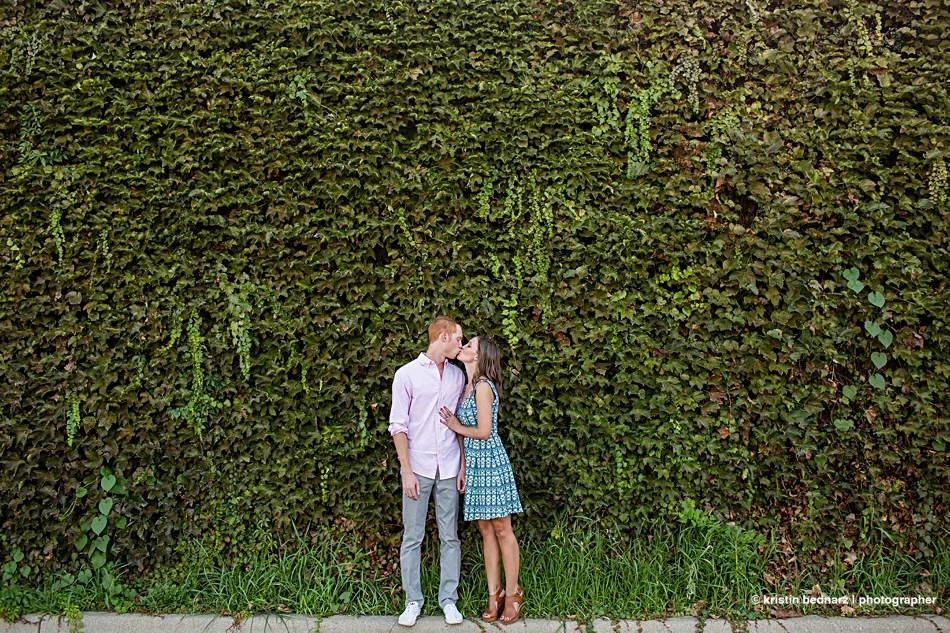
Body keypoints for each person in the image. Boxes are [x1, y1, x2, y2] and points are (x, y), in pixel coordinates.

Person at [438, 336, 525, 624]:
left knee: (502, 529)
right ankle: (494, 594)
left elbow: (485, 431)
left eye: (470, 345)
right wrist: (463, 467)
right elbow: (464, 435)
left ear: (479, 356)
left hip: (492, 463)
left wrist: (455, 425)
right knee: (486, 530)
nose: (463, 347)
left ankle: (513, 595)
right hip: (475, 465)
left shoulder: (484, 387)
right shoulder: (466, 388)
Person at [388, 316, 467, 627]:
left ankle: (449, 600)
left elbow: (458, 422)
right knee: (413, 537)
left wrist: (461, 464)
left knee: (451, 537)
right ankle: (412, 601)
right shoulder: (406, 374)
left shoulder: (457, 377)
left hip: (448, 467)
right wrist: (406, 471)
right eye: (459, 338)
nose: (461, 344)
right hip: (418, 467)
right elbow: (398, 425)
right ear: (443, 336)